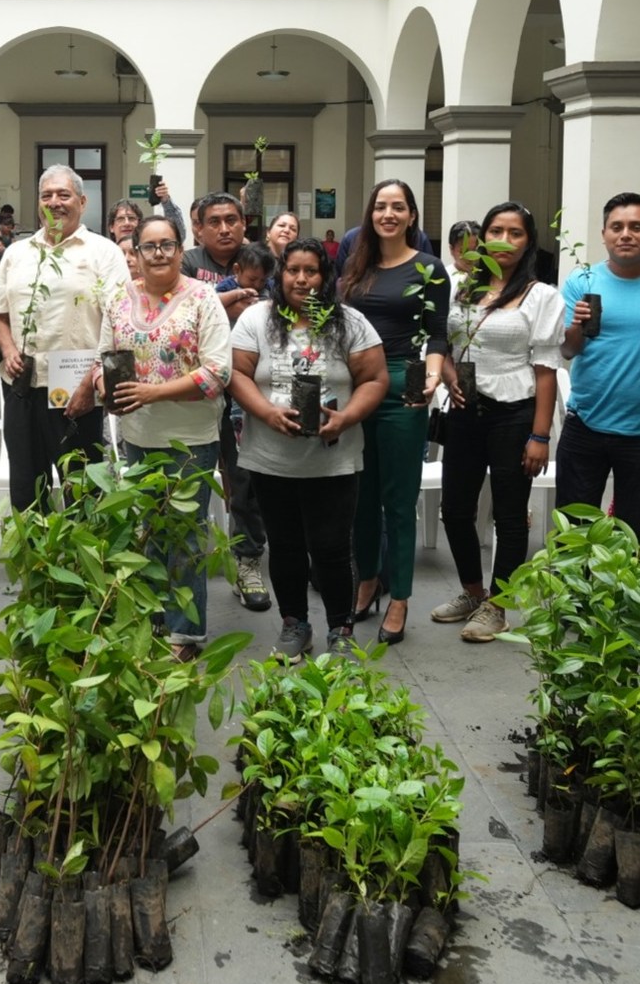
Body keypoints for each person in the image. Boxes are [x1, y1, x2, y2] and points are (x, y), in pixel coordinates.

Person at [76, 216, 232, 659]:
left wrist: (152, 392)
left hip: (190, 438)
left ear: (181, 250)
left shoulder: (202, 298)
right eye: (149, 246)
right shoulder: (118, 298)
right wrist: (105, 386)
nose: (159, 253)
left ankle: (186, 634)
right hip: (138, 434)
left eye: (167, 245)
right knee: (148, 530)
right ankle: (154, 620)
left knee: (185, 536)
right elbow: (103, 359)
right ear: (137, 252)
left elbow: (217, 372)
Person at [228, 238, 386, 660]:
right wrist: (266, 412)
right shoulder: (257, 319)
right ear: (280, 274)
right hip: (270, 458)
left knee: (332, 548)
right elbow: (237, 374)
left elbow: (375, 379)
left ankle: (340, 629)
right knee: (284, 547)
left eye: (311, 271)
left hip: (334, 458)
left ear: (325, 276)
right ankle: (294, 624)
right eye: (293, 270)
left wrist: (346, 418)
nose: (301, 279)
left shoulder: (349, 322)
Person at [429, 203, 561, 642]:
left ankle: (499, 605)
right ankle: (473, 592)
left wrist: (539, 435)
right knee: (455, 508)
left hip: (514, 412)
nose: (504, 240)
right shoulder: (462, 289)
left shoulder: (540, 296)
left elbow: (546, 370)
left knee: (509, 514)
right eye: (495, 231)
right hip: (465, 408)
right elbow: (444, 346)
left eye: (515, 233)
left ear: (529, 241)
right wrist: (449, 377)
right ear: (482, 238)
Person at [340, 179, 450, 644]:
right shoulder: (355, 266)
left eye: (398, 207)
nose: (389, 214)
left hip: (403, 383)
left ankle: (400, 597)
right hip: (355, 383)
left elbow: (438, 333)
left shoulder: (429, 268)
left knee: (399, 500)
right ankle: (368, 580)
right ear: (371, 213)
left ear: (411, 216)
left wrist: (433, 376)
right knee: (360, 496)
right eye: (381, 206)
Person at [0, 164, 128, 512]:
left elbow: (119, 322)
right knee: (26, 489)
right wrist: (8, 348)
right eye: (46, 195)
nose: (54, 202)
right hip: (22, 386)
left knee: (81, 490)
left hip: (77, 389)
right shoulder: (17, 253)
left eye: (63, 195)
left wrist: (91, 383)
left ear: (82, 201)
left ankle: (80, 549)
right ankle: (32, 547)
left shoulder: (104, 252)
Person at [555, 193, 640, 542]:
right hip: (586, 422)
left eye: (636, 227)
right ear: (604, 234)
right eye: (617, 227)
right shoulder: (583, 282)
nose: (625, 234)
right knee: (574, 531)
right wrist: (577, 325)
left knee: (631, 532)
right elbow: (568, 350)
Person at [182, 192, 271, 612]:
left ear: (243, 224)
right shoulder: (186, 262)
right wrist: (229, 302)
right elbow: (180, 312)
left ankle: (248, 562)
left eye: (231, 220)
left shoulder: (259, 259)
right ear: (199, 227)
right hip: (194, 388)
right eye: (214, 221)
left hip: (248, 388)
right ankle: (181, 569)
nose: (224, 228)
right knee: (189, 478)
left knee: (245, 478)